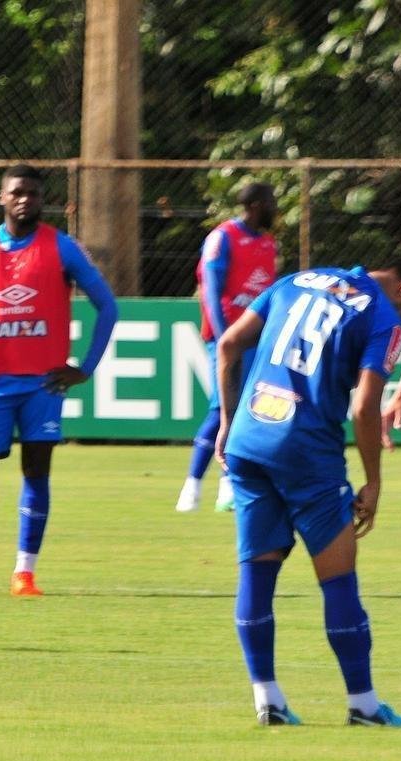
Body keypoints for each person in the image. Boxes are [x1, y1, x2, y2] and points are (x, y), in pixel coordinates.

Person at [216, 260, 401, 726]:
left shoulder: (296, 279)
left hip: (249, 437)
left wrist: (226, 420)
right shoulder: (385, 317)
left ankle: (269, 701)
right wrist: (375, 482)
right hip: (307, 452)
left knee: (257, 576)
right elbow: (364, 407)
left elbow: (228, 344)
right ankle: (363, 706)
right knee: (339, 580)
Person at [0, 164, 118, 597]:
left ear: (42, 200)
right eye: (17, 192)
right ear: (2, 198)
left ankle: (24, 574)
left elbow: (107, 306)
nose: (25, 199)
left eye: (33, 193)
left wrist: (84, 367)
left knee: (36, 468)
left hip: (42, 384)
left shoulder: (62, 248)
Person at [176, 183, 278, 513]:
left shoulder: (267, 243)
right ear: (258, 204)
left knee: (247, 409)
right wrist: (224, 339)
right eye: (272, 202)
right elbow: (210, 291)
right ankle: (191, 488)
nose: (276, 208)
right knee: (222, 409)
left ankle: (228, 487)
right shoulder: (223, 238)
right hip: (228, 339)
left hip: (257, 340)